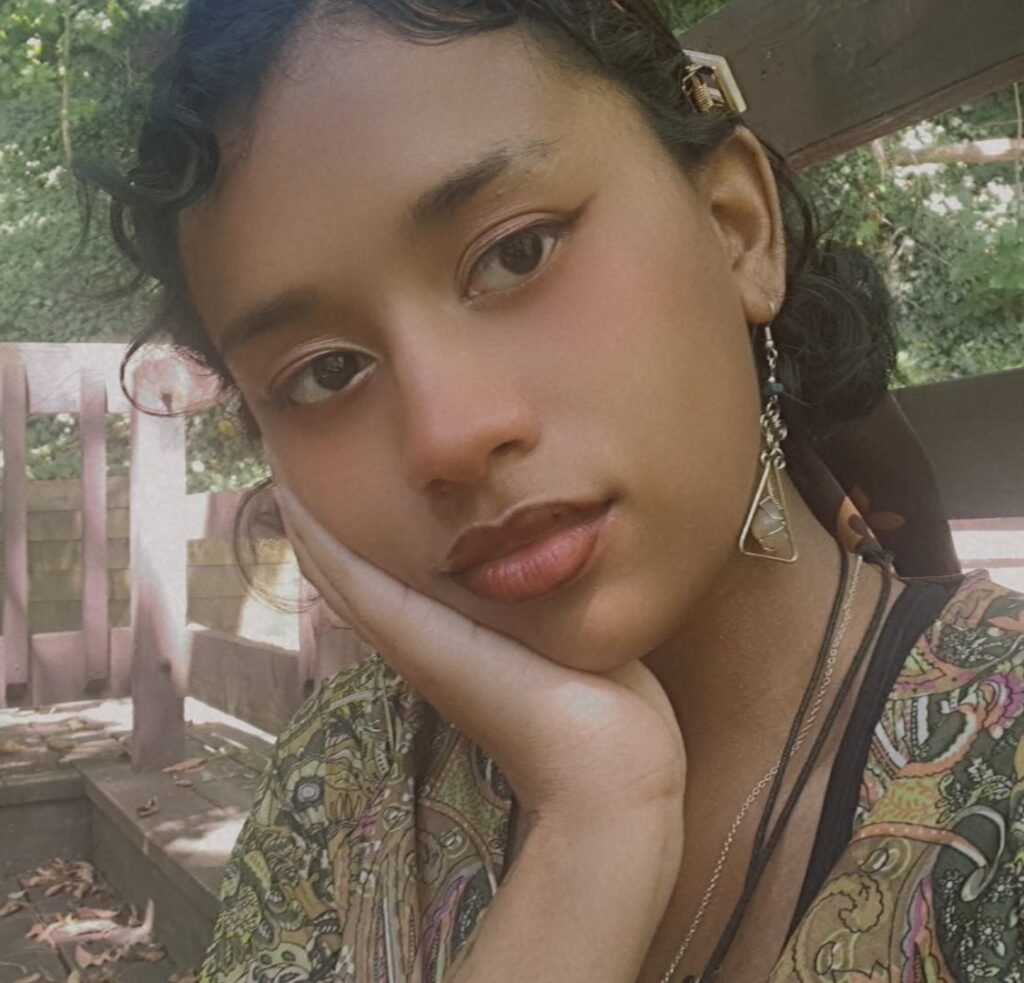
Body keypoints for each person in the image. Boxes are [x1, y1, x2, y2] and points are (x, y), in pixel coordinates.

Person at [83, 0, 1024, 979]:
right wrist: (594, 830)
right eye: (325, 373)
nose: (447, 435)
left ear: (736, 228)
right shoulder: (343, 772)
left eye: (516, 252)